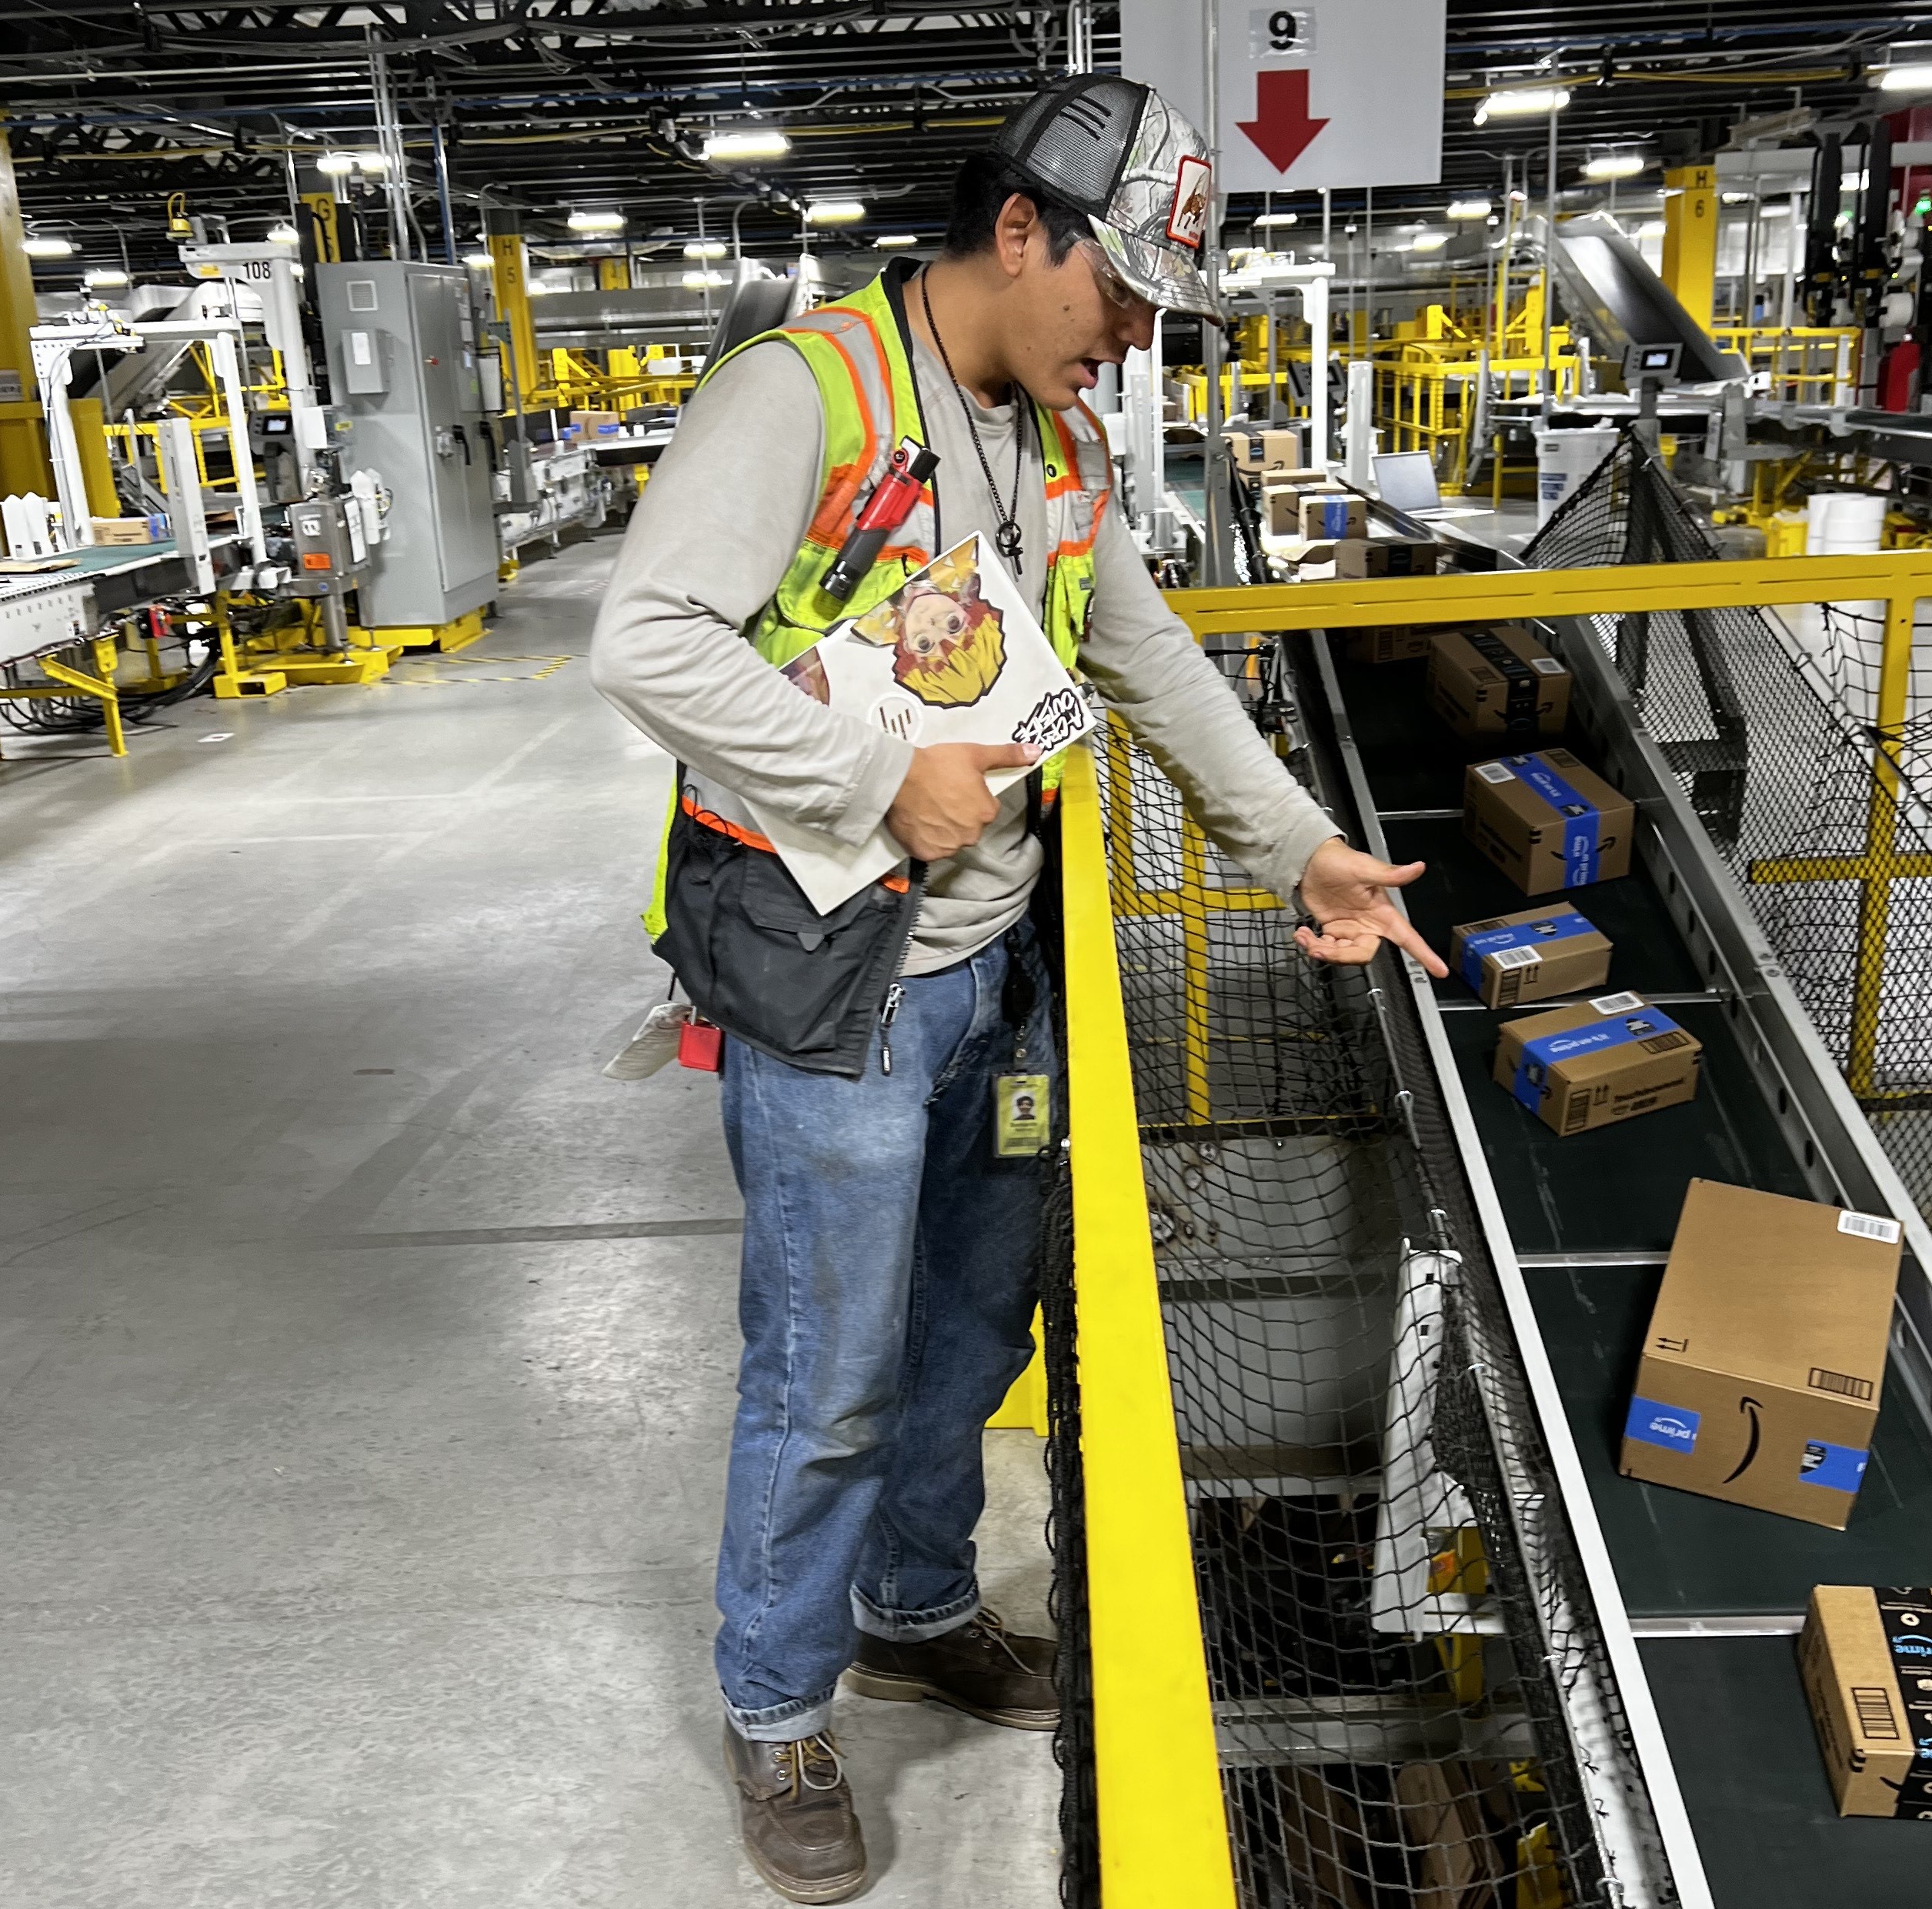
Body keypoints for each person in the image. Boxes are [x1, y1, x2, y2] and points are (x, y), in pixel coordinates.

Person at [590, 72, 1444, 1904]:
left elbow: (1144, 656)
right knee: (828, 1368)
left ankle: (913, 1605)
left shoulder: (1061, 447)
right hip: (836, 982)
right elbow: (643, 636)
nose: (1130, 334)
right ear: (1016, 232)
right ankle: (776, 1704)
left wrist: (1297, 845)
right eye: (1116, 291)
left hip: (999, 973)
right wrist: (864, 774)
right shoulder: (802, 395)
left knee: (972, 1337)